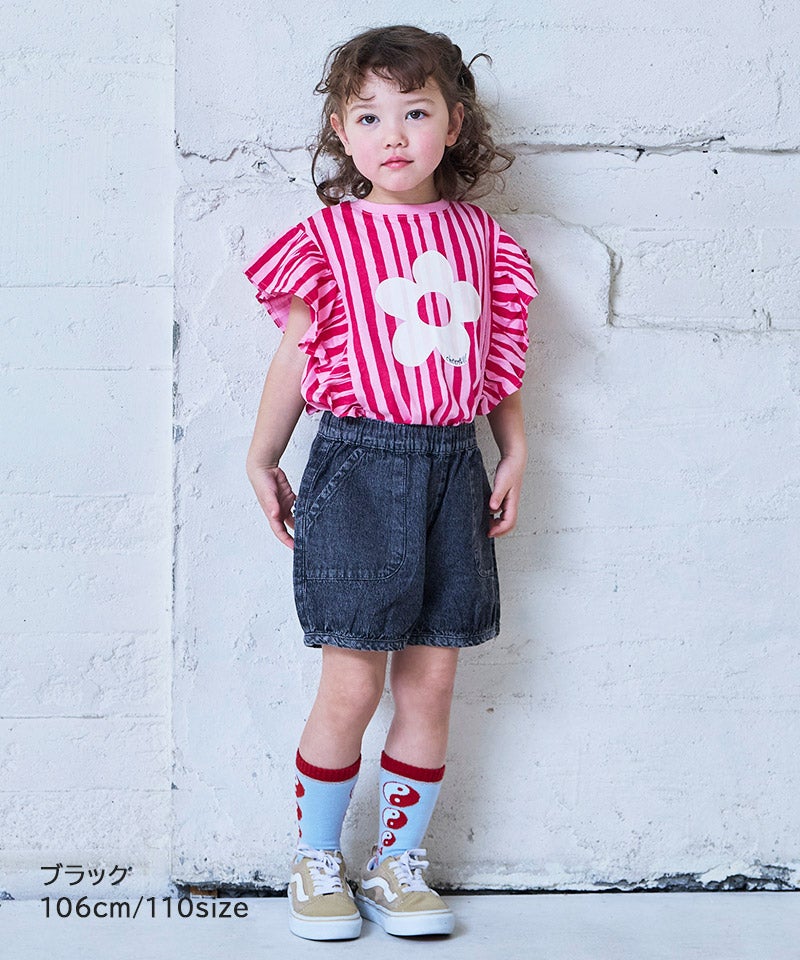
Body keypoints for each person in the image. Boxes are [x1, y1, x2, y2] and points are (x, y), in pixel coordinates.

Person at [243, 24, 538, 941]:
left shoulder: (482, 240)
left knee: (432, 680)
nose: (395, 134)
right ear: (342, 130)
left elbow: (497, 360)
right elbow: (296, 358)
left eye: (416, 111)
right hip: (358, 469)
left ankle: (397, 863)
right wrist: (262, 456)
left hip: (454, 467)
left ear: (455, 123)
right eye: (369, 116)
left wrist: (513, 449)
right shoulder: (330, 239)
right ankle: (316, 859)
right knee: (351, 684)